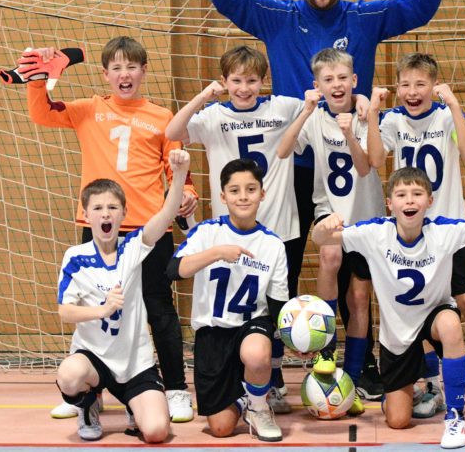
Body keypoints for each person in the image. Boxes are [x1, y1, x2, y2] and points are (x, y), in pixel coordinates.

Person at [197, 0, 444, 394]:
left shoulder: (364, 17)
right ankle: (265, 371)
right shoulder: (277, 16)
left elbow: (417, 7)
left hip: (350, 157)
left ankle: (359, 363)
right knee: (280, 263)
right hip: (293, 165)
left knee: (358, 274)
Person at [24, 36, 197, 422]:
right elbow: (42, 115)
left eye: (131, 66)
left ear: (144, 71)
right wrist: (38, 79)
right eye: (116, 67)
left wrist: (186, 191)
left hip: (149, 229)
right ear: (105, 75)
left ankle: (175, 389)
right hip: (99, 226)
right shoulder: (89, 109)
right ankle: (88, 392)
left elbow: (176, 167)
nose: (124, 74)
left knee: (159, 308)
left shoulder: (162, 116)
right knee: (93, 308)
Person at [367, 52, 465, 419]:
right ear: (396, 87)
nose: (412, 91)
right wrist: (371, 114)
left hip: (449, 228)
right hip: (413, 230)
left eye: (420, 84)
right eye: (405, 84)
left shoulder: (448, 114)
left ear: (434, 85)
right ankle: (432, 385)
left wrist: (456, 104)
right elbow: (373, 159)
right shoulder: (394, 119)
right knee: (421, 308)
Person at [312, 167, 465, 449]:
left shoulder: (442, 231)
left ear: (430, 200)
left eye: (417, 194)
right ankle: (401, 392)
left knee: (450, 323)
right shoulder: (375, 232)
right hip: (397, 337)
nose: (409, 201)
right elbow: (320, 240)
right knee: (398, 420)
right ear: (390, 203)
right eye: (401, 195)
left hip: (433, 320)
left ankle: (455, 416)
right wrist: (324, 226)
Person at [164, 45, 300, 413]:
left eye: (252, 81)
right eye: (236, 80)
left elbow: (317, 105)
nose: (244, 88)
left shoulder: (282, 107)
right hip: (232, 228)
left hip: (279, 226)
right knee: (236, 302)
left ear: (263, 81)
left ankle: (273, 381)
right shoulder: (213, 114)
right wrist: (204, 96)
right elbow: (172, 131)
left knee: (273, 308)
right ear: (224, 81)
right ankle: (245, 385)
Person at [55, 148, 191, 443]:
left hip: (134, 364)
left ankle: (134, 403)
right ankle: (88, 403)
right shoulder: (76, 257)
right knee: (68, 375)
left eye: (113, 208)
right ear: (86, 214)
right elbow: (65, 311)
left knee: (156, 432)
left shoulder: (133, 248)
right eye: (99, 208)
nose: (106, 213)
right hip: (94, 361)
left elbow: (166, 214)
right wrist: (100, 311)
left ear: (123, 214)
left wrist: (179, 175)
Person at [276, 48, 384, 415]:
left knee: (358, 298)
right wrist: (306, 110)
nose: (336, 85)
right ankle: (325, 354)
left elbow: (368, 168)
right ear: (318, 85)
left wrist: (353, 130)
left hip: (367, 216)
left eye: (342, 78)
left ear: (354, 81)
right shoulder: (315, 117)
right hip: (330, 210)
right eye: (328, 80)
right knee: (329, 254)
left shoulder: (369, 115)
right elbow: (283, 150)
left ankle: (353, 372)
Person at [165, 158, 290, 443]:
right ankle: (246, 398)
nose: (243, 196)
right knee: (220, 429)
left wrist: (290, 342)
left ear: (262, 193)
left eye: (250, 189)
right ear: (223, 196)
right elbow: (174, 271)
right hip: (213, 335)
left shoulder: (273, 245)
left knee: (258, 353)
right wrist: (217, 252)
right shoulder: (207, 232)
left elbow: (278, 307)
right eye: (234, 191)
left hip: (250, 327)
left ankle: (259, 408)